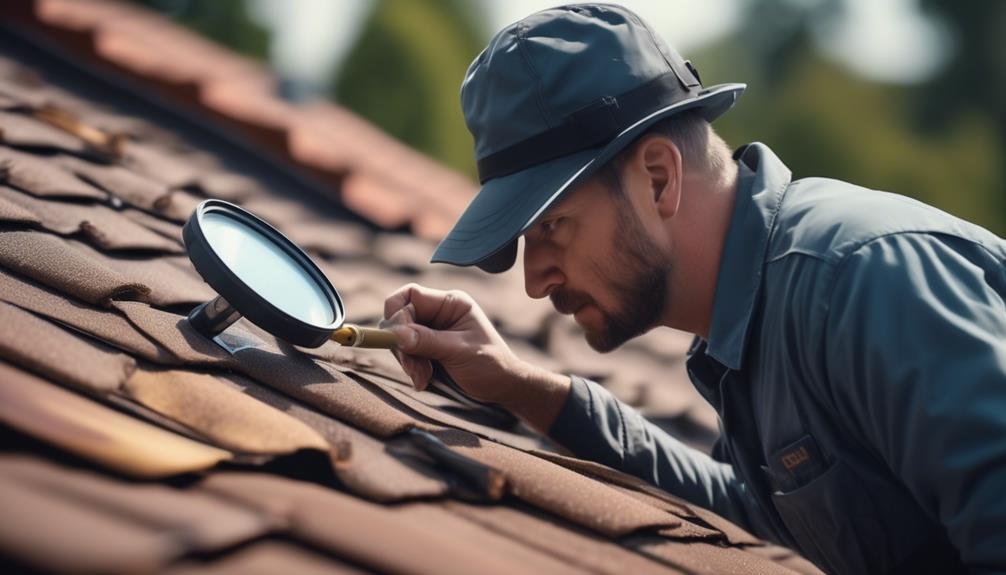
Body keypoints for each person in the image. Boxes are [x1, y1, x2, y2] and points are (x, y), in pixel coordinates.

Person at [380, 4, 1006, 574]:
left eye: (551, 227)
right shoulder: (752, 333)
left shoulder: (859, 281)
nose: (536, 280)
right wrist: (524, 388)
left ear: (658, 178)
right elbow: (757, 512)